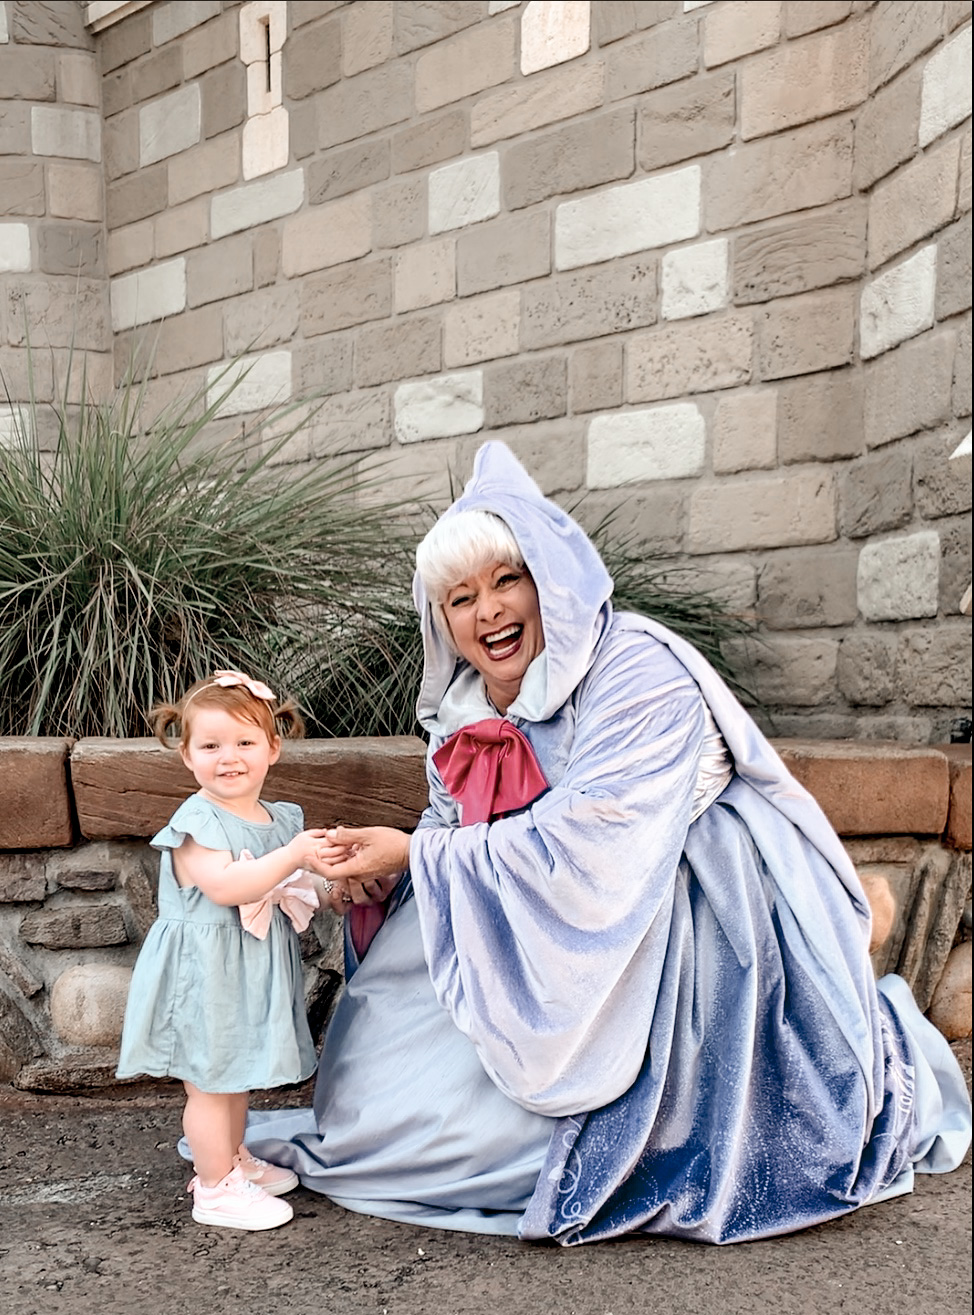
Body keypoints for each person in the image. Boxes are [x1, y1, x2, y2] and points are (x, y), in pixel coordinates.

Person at [238, 443, 971, 1244]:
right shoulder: (463, 702)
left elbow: (601, 842)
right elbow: (455, 827)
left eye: (506, 580)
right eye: (460, 597)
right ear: (440, 618)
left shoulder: (636, 666)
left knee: (479, 1144)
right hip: (528, 914)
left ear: (548, 577)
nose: (487, 612)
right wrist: (386, 877)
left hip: (677, 913)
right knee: (369, 1112)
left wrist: (416, 855)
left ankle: (849, 1002)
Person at [117, 671, 332, 1232]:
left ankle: (233, 1158)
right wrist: (294, 858)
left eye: (244, 743)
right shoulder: (195, 824)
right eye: (210, 746)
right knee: (210, 1083)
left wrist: (339, 883)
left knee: (234, 1075)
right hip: (205, 971)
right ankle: (214, 1187)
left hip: (249, 966)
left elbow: (301, 884)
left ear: (272, 748)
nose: (228, 757)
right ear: (187, 755)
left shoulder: (281, 818)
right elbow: (229, 887)